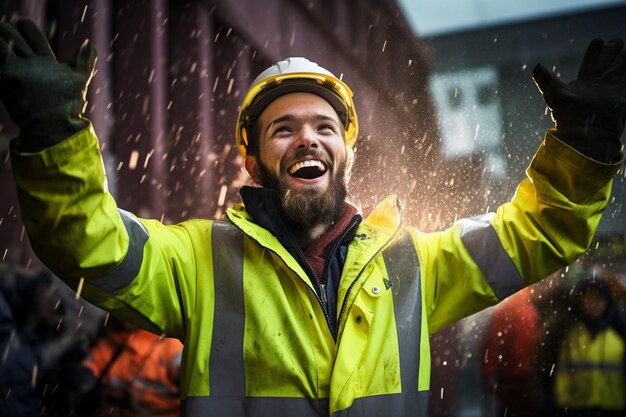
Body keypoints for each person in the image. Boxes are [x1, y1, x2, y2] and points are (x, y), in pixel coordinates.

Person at [0, 16, 624, 417]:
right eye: (284, 129)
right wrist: (56, 133)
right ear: (251, 158)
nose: (308, 140)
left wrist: (586, 149)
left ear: (346, 152)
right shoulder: (196, 261)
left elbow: (536, 235)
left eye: (326, 126)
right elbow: (89, 244)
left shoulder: (412, 263)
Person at [540, 275, 626, 416]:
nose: (594, 304)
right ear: (580, 301)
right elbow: (547, 371)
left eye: (599, 299)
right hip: (572, 409)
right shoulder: (565, 331)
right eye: (589, 298)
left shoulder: (620, 330)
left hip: (612, 409)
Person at [77, 316, 183, 417]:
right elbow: (94, 362)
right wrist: (85, 373)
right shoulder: (112, 341)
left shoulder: (171, 347)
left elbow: (187, 369)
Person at [480, 287, 542, 417]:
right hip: (523, 377)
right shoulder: (529, 310)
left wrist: (489, 373)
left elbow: (492, 344)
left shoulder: (507, 310)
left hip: (512, 377)